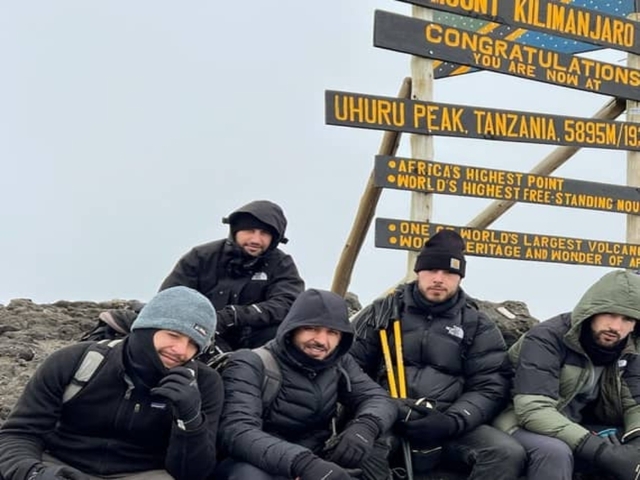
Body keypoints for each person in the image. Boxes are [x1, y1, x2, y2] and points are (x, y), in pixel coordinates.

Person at [350, 229, 526, 480]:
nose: (439, 278)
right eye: (432, 270)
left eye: (449, 273)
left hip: (447, 420)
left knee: (507, 452)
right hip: (387, 415)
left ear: (460, 278)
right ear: (418, 271)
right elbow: (350, 366)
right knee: (361, 447)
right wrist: (386, 406)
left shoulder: (477, 324)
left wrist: (453, 421)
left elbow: (490, 385)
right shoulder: (384, 312)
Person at [0, 286, 223, 480]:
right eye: (173, 335)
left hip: (144, 474)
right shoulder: (74, 360)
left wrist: (190, 421)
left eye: (193, 344)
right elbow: (19, 433)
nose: (181, 351)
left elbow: (192, 475)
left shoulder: (204, 384)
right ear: (145, 329)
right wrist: (33, 473)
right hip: (58, 464)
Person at [216, 288, 397, 480]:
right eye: (311, 328)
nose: (321, 340)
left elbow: (377, 398)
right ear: (292, 327)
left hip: (317, 459)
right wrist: (303, 464)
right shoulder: (251, 362)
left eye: (332, 332)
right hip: (259, 462)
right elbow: (237, 431)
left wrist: (365, 427)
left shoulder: (339, 363)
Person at [494, 269, 640, 480]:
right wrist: (601, 451)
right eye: (609, 314)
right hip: (515, 420)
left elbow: (635, 406)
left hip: (575, 425)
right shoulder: (547, 338)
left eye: (627, 319)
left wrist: (636, 443)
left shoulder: (629, 349)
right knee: (555, 452)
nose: (616, 326)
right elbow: (532, 410)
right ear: (592, 311)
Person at [160, 199, 304, 351]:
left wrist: (235, 316)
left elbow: (287, 303)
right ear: (235, 231)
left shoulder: (281, 264)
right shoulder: (201, 257)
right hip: (197, 340)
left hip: (257, 350)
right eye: (249, 230)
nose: (256, 239)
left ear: (274, 239)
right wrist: (203, 324)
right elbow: (168, 299)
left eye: (264, 233)